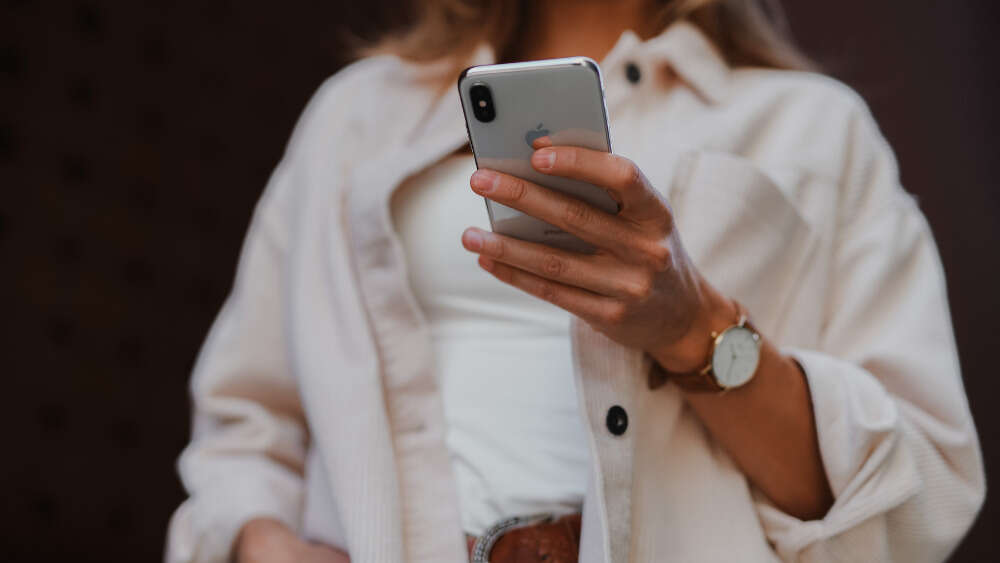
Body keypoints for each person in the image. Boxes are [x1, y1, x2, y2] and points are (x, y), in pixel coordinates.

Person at [166, 1, 985, 561]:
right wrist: (263, 543)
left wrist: (689, 325)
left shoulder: (813, 126)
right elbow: (245, 419)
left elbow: (921, 490)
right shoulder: (356, 115)